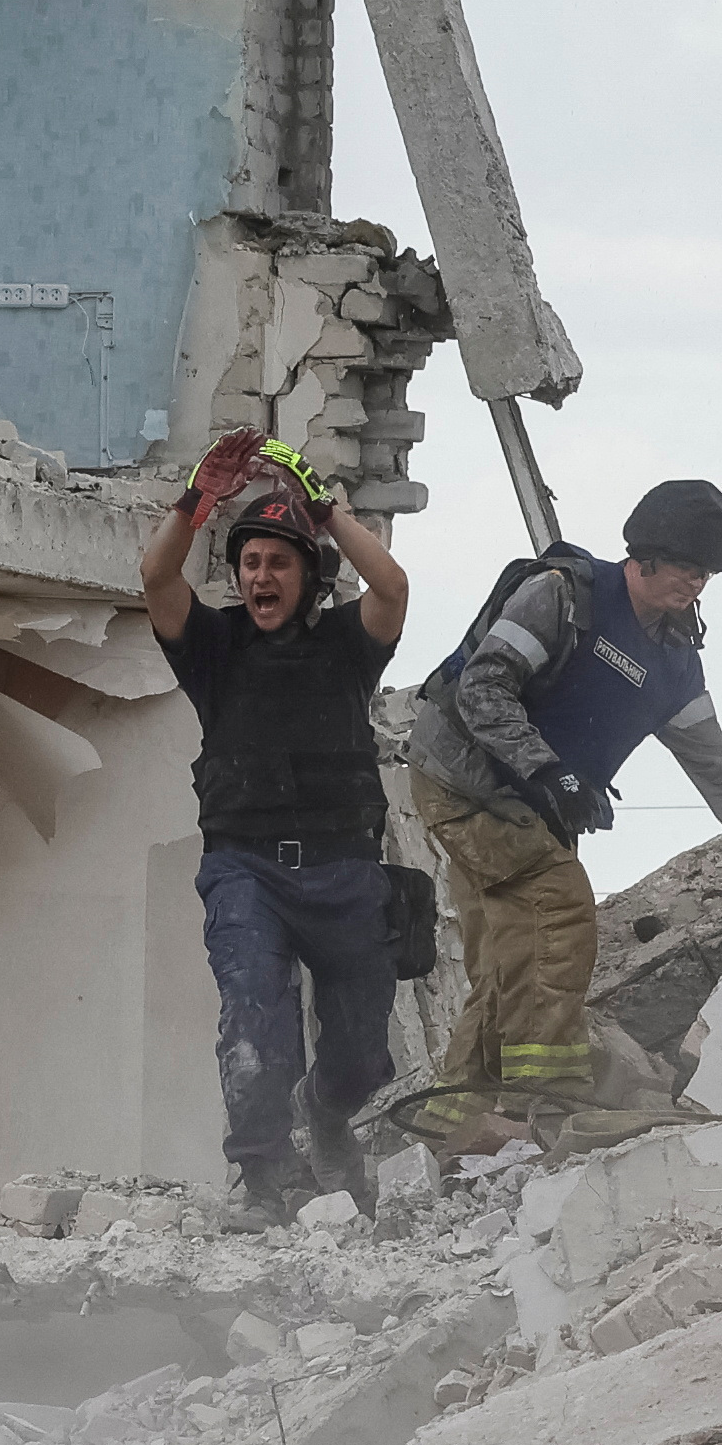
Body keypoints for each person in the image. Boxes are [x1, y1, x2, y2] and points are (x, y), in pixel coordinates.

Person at [405, 480, 722, 1130]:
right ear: (645, 553)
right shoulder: (563, 597)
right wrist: (551, 772)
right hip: (461, 780)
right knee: (558, 903)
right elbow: (482, 688)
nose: (696, 582)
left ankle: (452, 1124)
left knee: (506, 959)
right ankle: (546, 1095)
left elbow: (716, 763)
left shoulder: (674, 662)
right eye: (686, 566)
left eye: (706, 573)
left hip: (535, 807)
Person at [144, 427, 412, 1229]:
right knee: (254, 1021)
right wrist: (197, 499)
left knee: (361, 1053)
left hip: (344, 870)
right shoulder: (212, 646)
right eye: (250, 562)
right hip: (246, 871)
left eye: (278, 563)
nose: (260, 576)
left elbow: (392, 585)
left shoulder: (346, 646)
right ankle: (263, 1177)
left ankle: (326, 1117)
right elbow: (155, 575)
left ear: (308, 576)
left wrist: (323, 509)